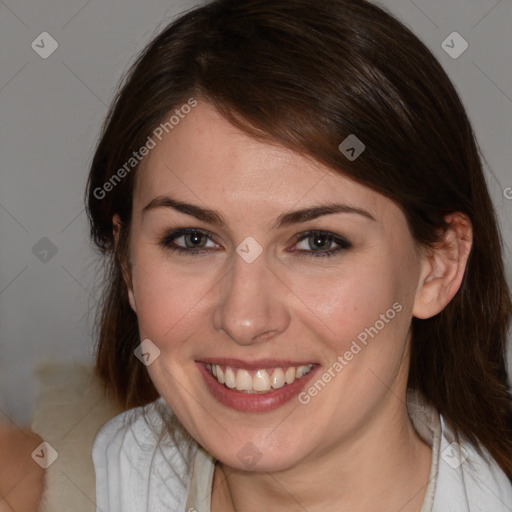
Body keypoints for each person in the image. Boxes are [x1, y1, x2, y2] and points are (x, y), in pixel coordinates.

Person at [87, 0, 512, 510]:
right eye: (193, 239)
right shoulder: (105, 469)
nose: (244, 319)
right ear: (128, 263)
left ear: (438, 266)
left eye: (318, 242)